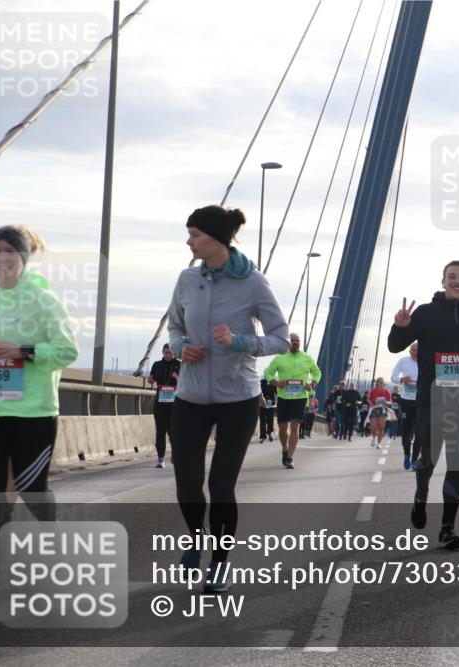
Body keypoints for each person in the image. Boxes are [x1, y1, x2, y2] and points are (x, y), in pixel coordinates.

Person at [167, 205, 290, 592]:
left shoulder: (254, 282)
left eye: (195, 234)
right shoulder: (187, 278)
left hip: (238, 397)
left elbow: (280, 339)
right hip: (190, 395)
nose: (188, 241)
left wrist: (240, 342)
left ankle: (219, 562)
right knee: (187, 483)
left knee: (221, 485)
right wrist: (182, 345)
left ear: (217, 238)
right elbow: (173, 325)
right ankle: (196, 538)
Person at [0, 226, 79, 596]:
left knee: (32, 491)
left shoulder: (46, 303)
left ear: (24, 258)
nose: (2, 258)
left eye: (10, 250)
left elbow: (67, 351)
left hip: (34, 412)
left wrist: (25, 351)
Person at [387, 260, 459, 550]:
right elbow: (394, 345)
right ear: (443, 281)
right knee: (428, 458)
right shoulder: (425, 313)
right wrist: (399, 327)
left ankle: (447, 528)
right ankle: (421, 494)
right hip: (431, 399)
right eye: (452, 277)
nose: (458, 281)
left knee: (456, 461)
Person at [263, 333, 321, 469]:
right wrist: (277, 383)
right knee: (283, 430)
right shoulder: (280, 358)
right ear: (288, 343)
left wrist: (312, 385)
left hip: (300, 398)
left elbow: (317, 373)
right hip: (284, 398)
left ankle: (289, 457)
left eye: (297, 340)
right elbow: (268, 374)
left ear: (300, 343)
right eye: (292, 340)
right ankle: (285, 448)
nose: (295, 342)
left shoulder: (307, 358)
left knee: (295, 427)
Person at [148, 344, 181, 468]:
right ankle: (160, 459)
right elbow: (151, 380)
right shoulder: (157, 365)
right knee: (160, 431)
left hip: (175, 404)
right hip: (160, 403)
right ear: (162, 352)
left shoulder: (179, 365)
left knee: (173, 431)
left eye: (171, 353)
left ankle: (175, 454)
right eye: (166, 352)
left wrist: (177, 377)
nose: (168, 355)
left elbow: (186, 383)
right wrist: (150, 380)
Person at [391, 342, 420, 470]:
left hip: (421, 401)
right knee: (406, 431)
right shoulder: (403, 361)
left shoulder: (428, 360)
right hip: (406, 400)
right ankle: (407, 455)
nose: (416, 352)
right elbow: (393, 376)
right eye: (413, 350)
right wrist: (402, 380)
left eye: (418, 350)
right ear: (409, 351)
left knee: (420, 433)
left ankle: (415, 459)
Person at [367, 377, 392, 449]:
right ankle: (373, 438)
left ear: (384, 383)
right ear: (377, 383)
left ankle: (379, 443)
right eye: (379, 381)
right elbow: (368, 399)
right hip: (374, 409)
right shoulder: (372, 391)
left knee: (381, 428)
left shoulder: (387, 391)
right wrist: (371, 403)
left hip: (383, 410)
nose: (380, 383)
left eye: (382, 382)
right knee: (374, 427)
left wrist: (386, 402)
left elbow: (390, 402)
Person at [258, 378, 277, 443]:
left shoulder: (273, 382)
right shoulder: (261, 382)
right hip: (262, 403)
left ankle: (270, 433)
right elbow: (259, 391)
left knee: (270, 420)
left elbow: (277, 392)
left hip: (271, 403)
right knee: (262, 420)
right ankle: (263, 436)